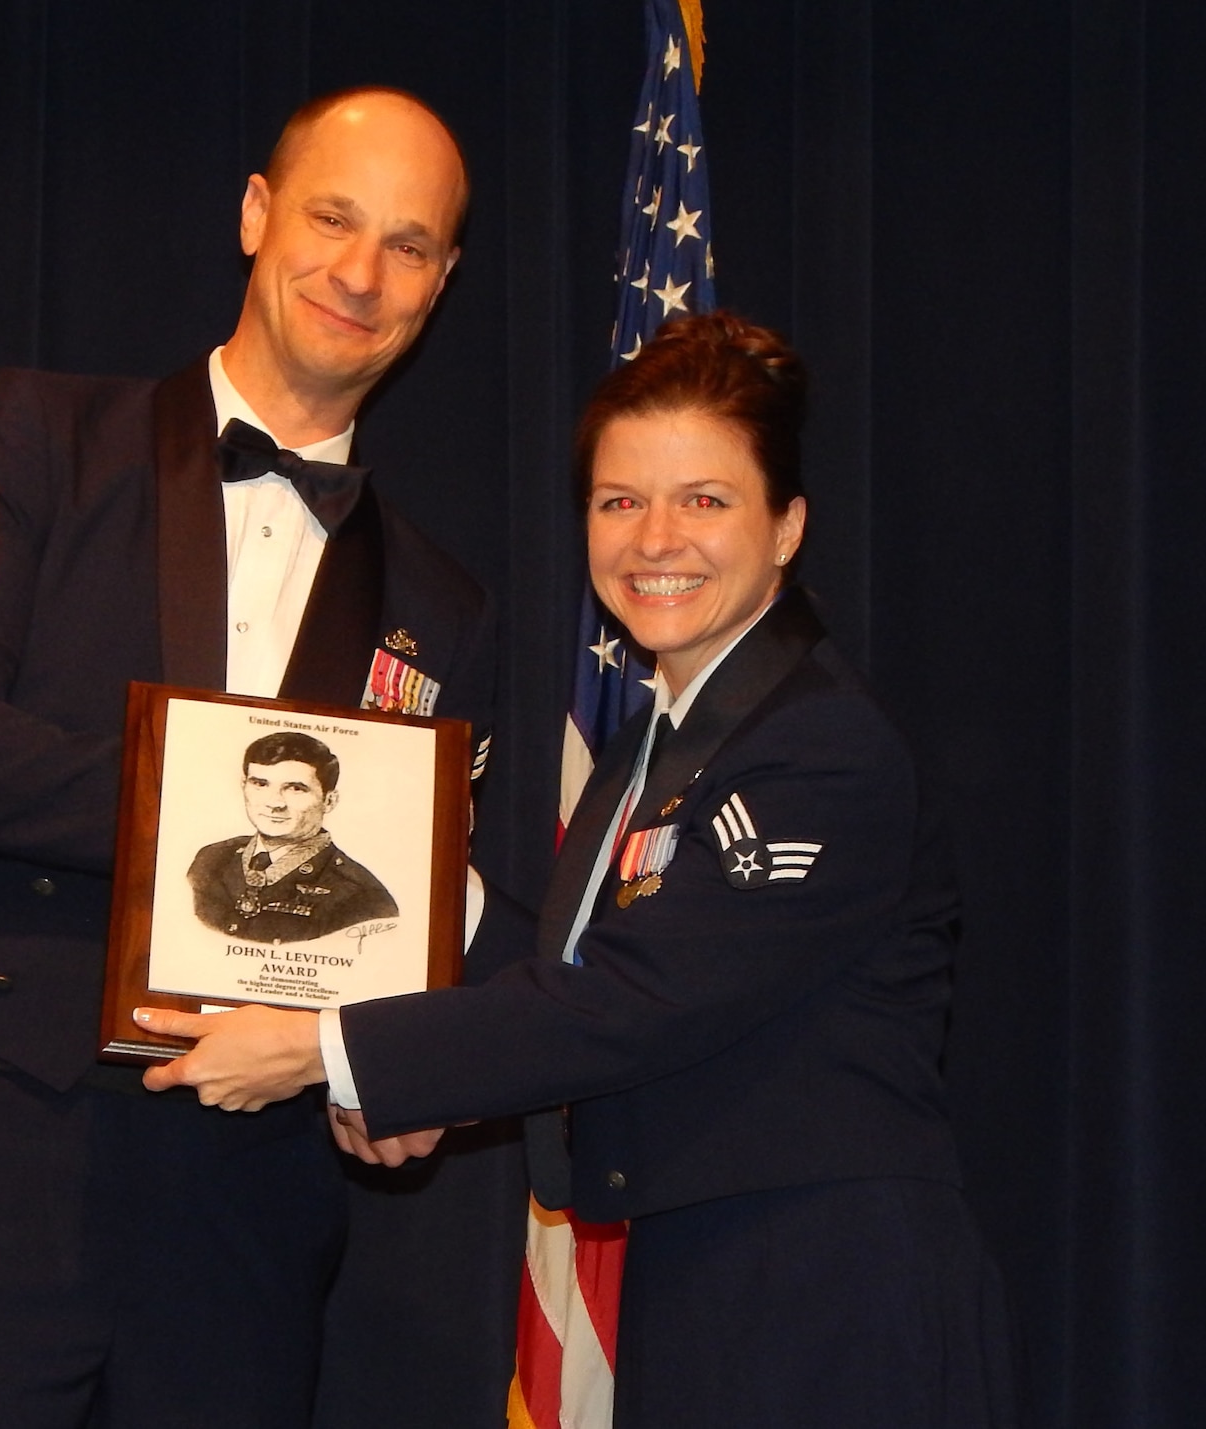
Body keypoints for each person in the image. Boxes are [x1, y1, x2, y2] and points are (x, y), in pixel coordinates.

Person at [139, 311, 1016, 1427]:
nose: (655, 538)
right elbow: (573, 965)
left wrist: (325, 1049)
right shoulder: (655, 748)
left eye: (704, 500)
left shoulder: (816, 745)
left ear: (786, 526)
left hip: (830, 1292)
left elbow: (633, 1001)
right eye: (618, 502)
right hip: (707, 1273)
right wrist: (408, 901)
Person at [0, 88, 495, 1429]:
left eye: (409, 245)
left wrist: (401, 1060)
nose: (361, 273)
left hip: (243, 1210)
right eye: (333, 217)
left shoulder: (442, 602)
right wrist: (205, 803)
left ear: (444, 282)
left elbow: (441, 898)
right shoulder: (32, 438)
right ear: (256, 215)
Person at [187, 731, 398, 941]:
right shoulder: (211, 860)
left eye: (296, 789)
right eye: (260, 784)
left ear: (329, 801)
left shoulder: (362, 896)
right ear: (244, 786)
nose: (275, 803)